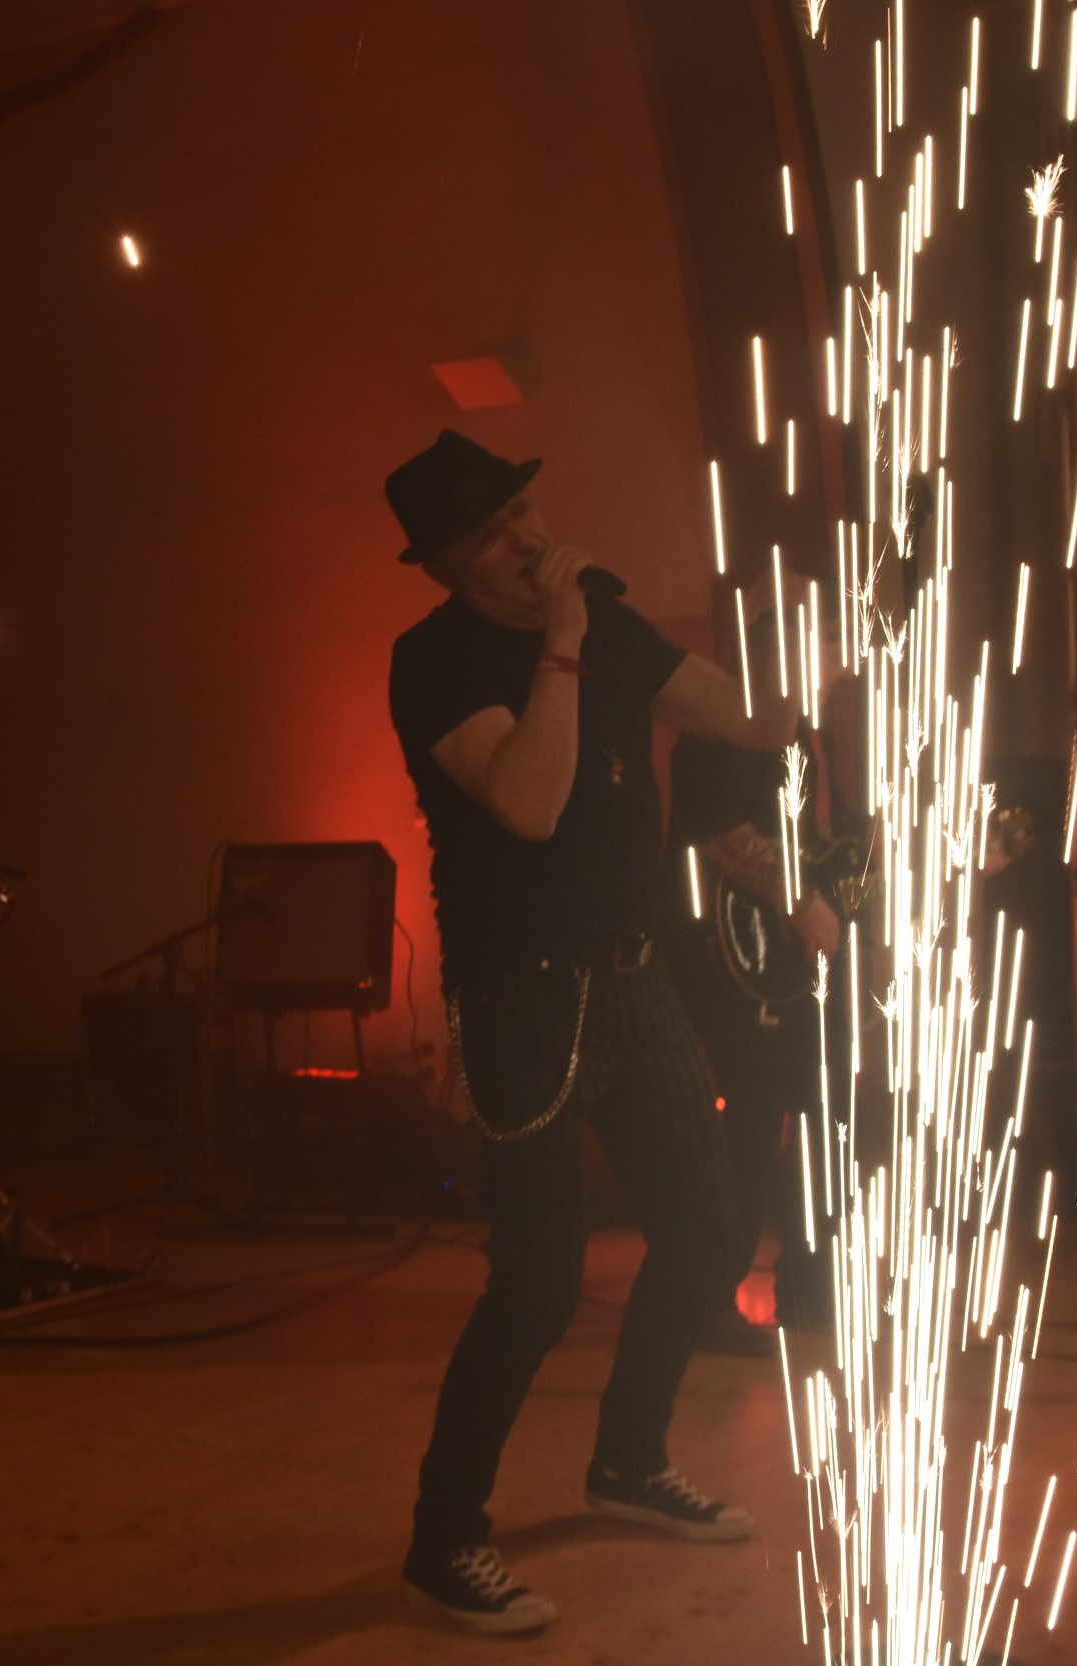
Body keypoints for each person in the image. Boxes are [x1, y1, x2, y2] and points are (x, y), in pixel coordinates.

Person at [385, 430, 804, 1634]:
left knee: (708, 1227)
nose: (528, 541)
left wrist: (811, 674)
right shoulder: (434, 660)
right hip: (520, 993)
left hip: (635, 972)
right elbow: (529, 801)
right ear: (444, 565)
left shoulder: (605, 620)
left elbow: (743, 717)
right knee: (537, 1279)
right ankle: (443, 1537)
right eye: (493, 535)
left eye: (525, 513)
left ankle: (628, 1459)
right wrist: (560, 645)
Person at [664, 706, 847, 1346]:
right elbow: (716, 829)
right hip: (732, 957)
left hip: (783, 966)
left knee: (823, 1110)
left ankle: (811, 1283)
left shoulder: (804, 730)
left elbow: (824, 844)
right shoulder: (723, 720)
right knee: (753, 1121)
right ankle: (708, 1293)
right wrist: (798, 899)